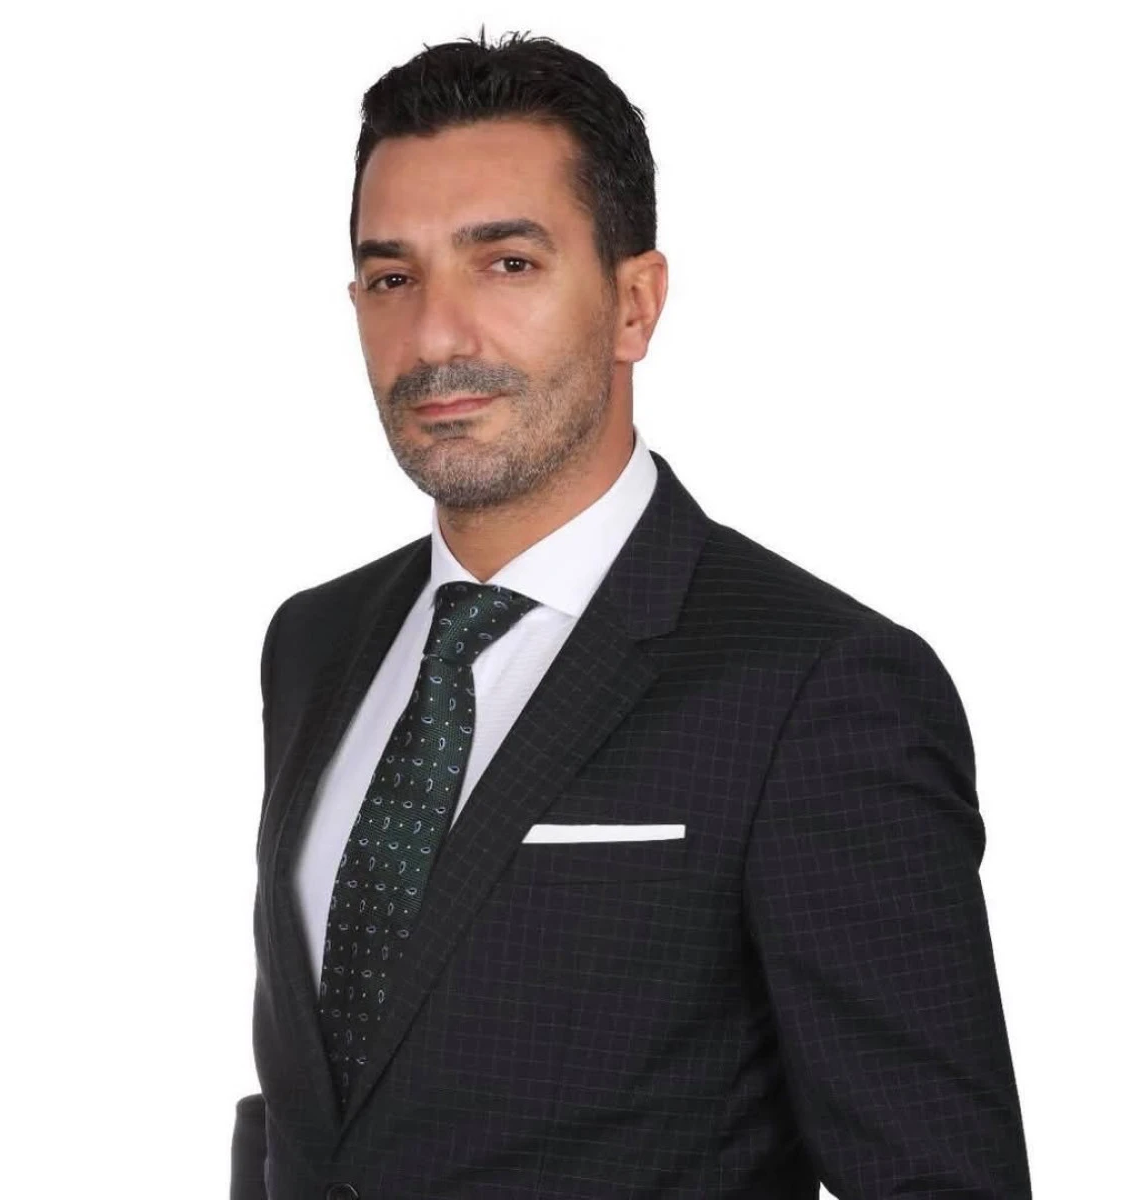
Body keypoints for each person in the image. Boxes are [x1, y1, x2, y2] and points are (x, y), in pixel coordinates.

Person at [230, 27, 1032, 1200]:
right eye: (393, 279)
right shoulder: (314, 643)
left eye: (507, 263)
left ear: (634, 304)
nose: (436, 336)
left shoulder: (818, 688)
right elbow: (324, 1101)